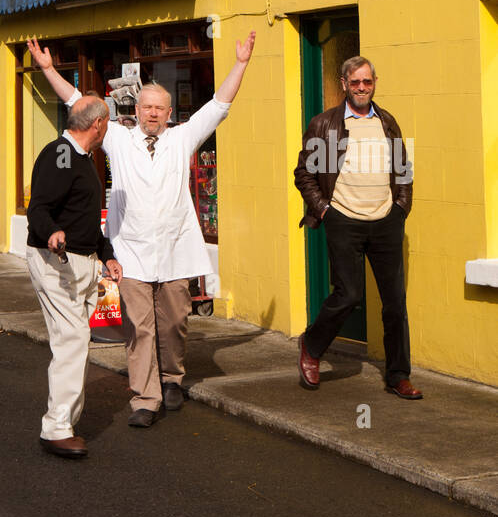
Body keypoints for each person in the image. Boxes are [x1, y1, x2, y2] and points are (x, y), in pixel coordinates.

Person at [28, 33, 255, 427]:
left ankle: (172, 377)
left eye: (159, 109)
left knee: (175, 321)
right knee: (139, 327)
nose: (151, 114)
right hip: (129, 249)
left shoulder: (182, 138)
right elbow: (76, 102)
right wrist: (49, 70)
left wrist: (240, 64)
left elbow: (219, 105)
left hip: (176, 248)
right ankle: (145, 399)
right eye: (146, 107)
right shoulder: (117, 137)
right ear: (137, 108)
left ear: (169, 113)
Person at [294, 55, 421, 399]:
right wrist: (325, 210)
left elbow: (403, 170)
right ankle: (312, 345)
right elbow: (304, 173)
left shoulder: (388, 122)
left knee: (394, 302)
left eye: (368, 81)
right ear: (344, 84)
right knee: (348, 294)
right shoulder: (324, 124)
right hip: (344, 221)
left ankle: (398, 375)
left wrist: (400, 208)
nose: (362, 88)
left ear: (374, 82)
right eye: (356, 82)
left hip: (386, 222)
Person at [26, 93, 123, 458]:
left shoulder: (81, 159)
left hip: (81, 261)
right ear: (97, 124)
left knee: (74, 341)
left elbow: (83, 218)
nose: (107, 128)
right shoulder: (61, 155)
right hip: (57, 263)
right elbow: (39, 206)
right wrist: (51, 231)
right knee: (73, 338)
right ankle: (56, 428)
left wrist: (106, 254)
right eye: (107, 122)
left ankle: (65, 420)